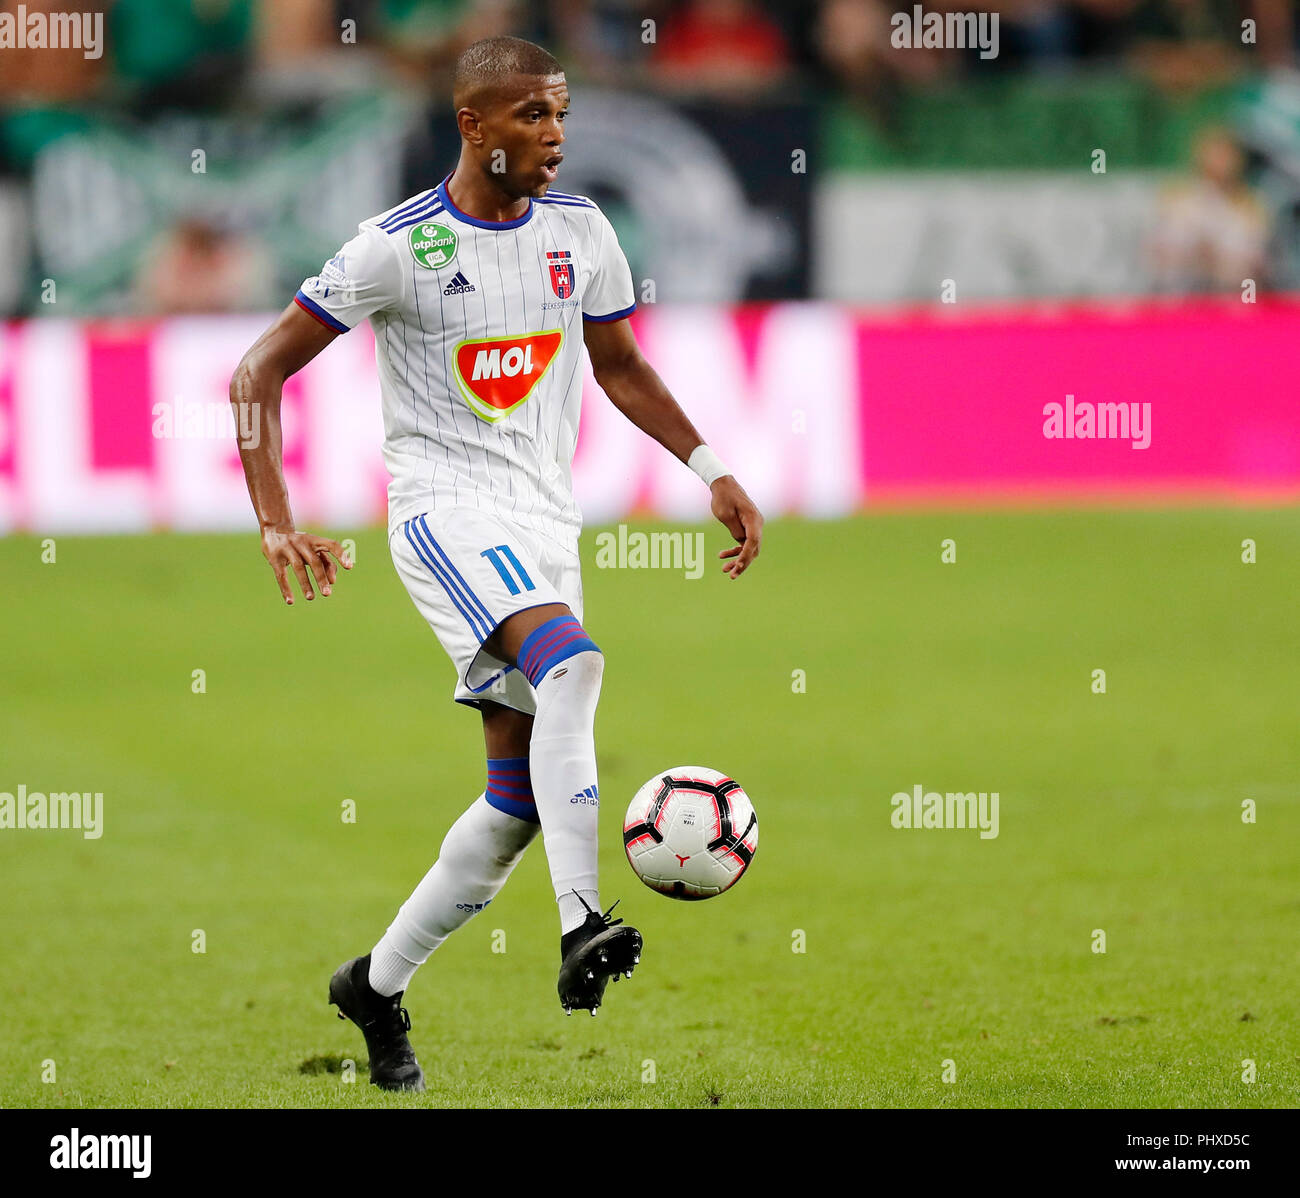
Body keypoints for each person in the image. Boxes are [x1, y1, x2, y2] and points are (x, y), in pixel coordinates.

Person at [228, 35, 763, 1092]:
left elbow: (620, 363)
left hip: (542, 521)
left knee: (516, 802)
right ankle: (579, 922)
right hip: (442, 511)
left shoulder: (581, 231)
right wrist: (274, 517)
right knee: (576, 664)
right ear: (473, 125)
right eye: (532, 117)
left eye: (561, 114)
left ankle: (374, 985)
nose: (555, 136)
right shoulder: (397, 248)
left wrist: (710, 466)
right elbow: (259, 369)